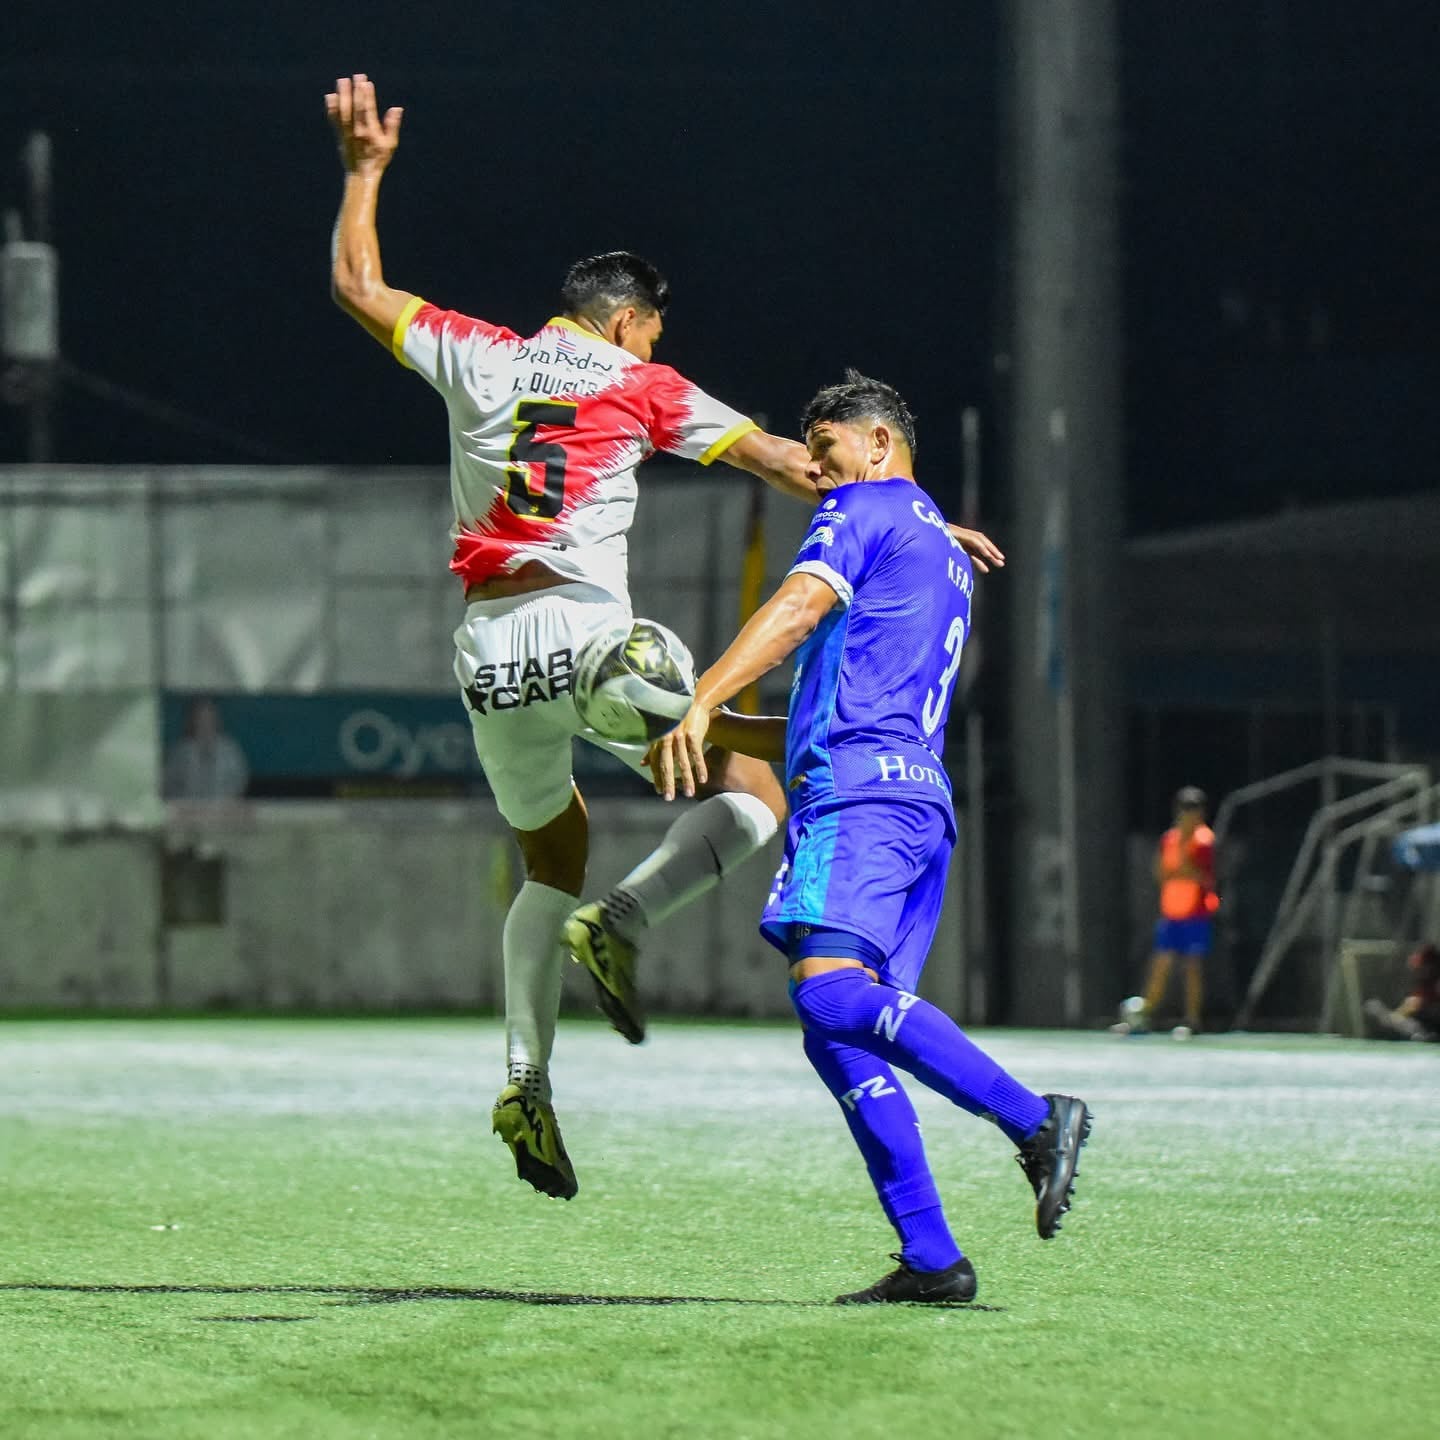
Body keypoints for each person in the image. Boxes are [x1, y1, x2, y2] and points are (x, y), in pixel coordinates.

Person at [325, 73, 1010, 1202]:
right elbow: (793, 464)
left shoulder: (477, 353)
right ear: (628, 322)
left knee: (548, 857)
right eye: (653, 328)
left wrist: (363, 173)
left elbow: (357, 284)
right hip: (595, 639)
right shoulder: (643, 384)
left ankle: (524, 1076)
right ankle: (624, 920)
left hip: (490, 653)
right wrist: (917, 518)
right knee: (760, 788)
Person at [584, 371, 1090, 1304]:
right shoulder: (932, 542)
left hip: (860, 800)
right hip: (913, 799)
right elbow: (825, 718)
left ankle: (1034, 1120)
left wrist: (703, 697)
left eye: (826, 452)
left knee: (829, 999)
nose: (816, 473)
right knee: (841, 1034)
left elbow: (796, 609)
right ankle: (932, 1259)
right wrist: (700, 725)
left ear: (878, 444)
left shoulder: (862, 510)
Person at [1123, 786, 1220, 1038]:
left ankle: (1192, 1020)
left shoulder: (1204, 840)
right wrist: (1178, 869)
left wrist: (1182, 865)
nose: (1190, 816)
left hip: (1195, 912)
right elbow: (1160, 872)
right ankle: (1143, 1018)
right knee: (1161, 964)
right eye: (1185, 810)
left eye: (1194, 810)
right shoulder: (1170, 839)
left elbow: (1203, 875)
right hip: (1172, 911)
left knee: (1192, 967)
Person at [163, 697, 249, 801]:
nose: (204, 722)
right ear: (192, 720)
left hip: (224, 807)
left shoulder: (230, 749)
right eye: (200, 718)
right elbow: (168, 784)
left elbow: (240, 782)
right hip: (188, 808)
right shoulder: (180, 751)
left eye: (208, 717)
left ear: (216, 719)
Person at [1363, 943, 1440, 1041]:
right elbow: (1403, 1012)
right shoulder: (1422, 988)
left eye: (1421, 968)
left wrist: (1386, 1016)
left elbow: (1409, 1008)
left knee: (1375, 1008)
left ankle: (1423, 1035)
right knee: (1374, 1008)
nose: (1416, 972)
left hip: (1428, 1031)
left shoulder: (1430, 987)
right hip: (1424, 1029)